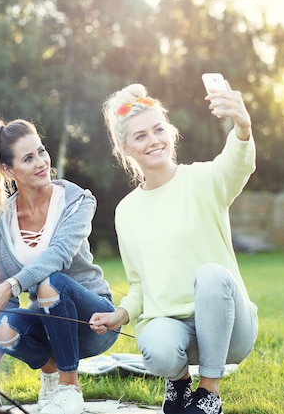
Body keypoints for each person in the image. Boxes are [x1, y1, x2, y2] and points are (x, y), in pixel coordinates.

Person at [89, 82, 258, 414]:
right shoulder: (127, 210)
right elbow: (139, 283)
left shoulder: (203, 180)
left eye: (157, 129)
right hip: (174, 328)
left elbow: (238, 163)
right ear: (126, 150)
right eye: (140, 136)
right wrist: (119, 315)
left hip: (231, 327)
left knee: (211, 276)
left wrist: (243, 124)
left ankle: (208, 393)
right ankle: (179, 385)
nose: (153, 140)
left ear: (170, 132)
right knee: (158, 348)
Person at [0, 118, 119, 414]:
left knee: (50, 282)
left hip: (94, 320)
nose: (41, 162)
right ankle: (50, 371)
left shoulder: (77, 200)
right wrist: (0, 344)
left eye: (41, 151)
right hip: (48, 323)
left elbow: (59, 255)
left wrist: (11, 285)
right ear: (8, 170)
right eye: (28, 158)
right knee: (1, 331)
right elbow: (7, 299)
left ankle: (70, 387)